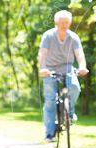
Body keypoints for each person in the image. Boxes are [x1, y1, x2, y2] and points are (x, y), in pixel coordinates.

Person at [38, 10, 89, 141]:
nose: (64, 25)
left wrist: (82, 67)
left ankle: (69, 113)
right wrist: (42, 68)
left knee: (75, 87)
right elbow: (43, 54)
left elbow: (80, 55)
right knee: (50, 100)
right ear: (56, 22)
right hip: (49, 69)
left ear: (70, 23)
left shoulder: (73, 37)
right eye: (62, 22)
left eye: (67, 22)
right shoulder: (48, 36)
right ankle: (49, 133)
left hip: (67, 67)